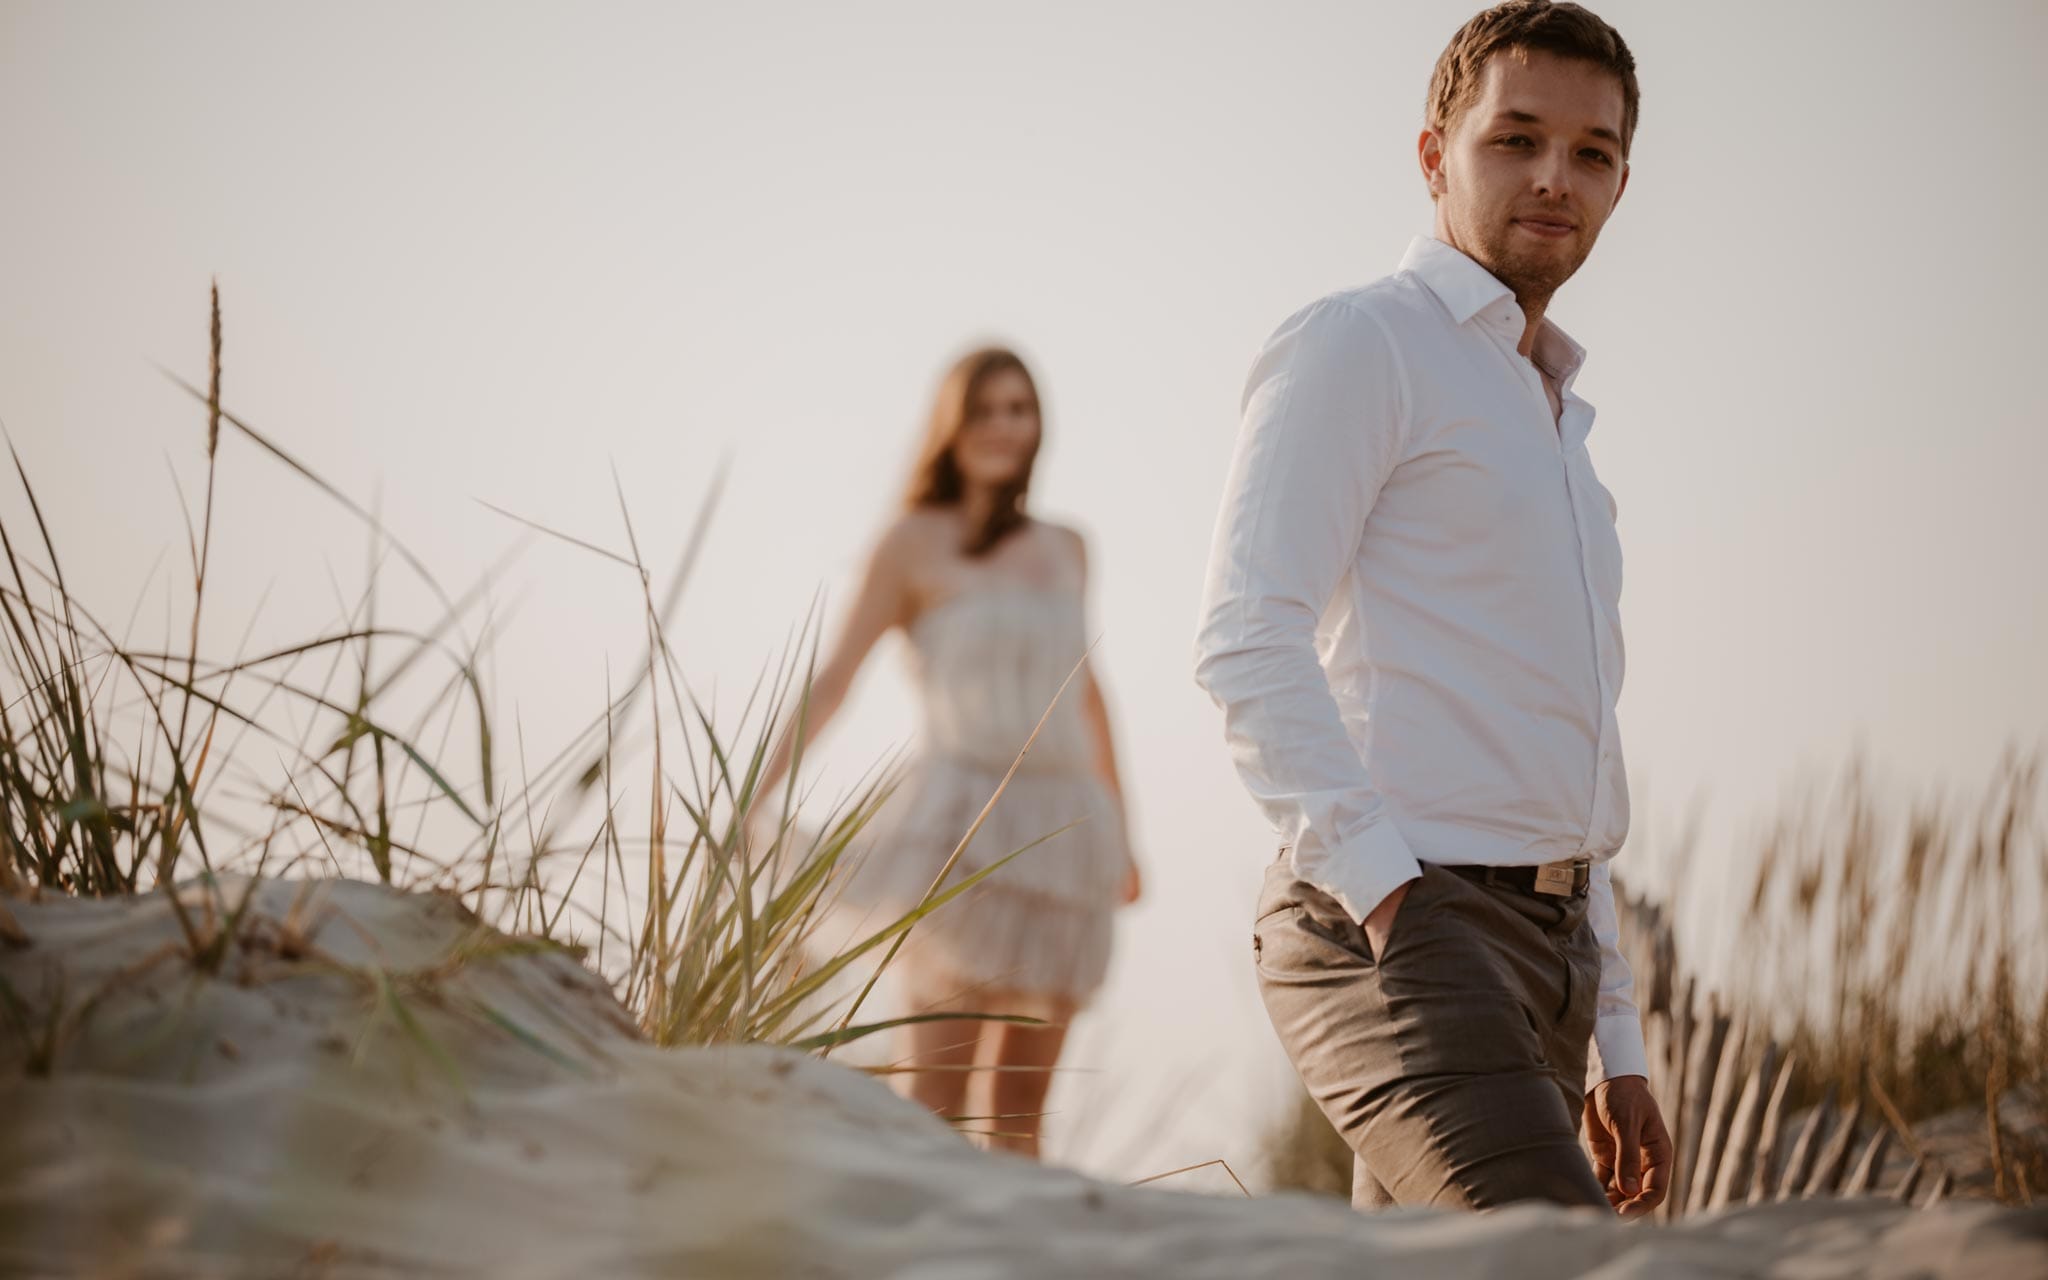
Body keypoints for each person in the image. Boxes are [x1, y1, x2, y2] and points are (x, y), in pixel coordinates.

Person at [1193, 0, 1671, 1215]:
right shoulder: (1364, 343)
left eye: (1591, 152)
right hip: (1394, 914)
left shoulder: (1560, 427)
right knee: (1557, 1253)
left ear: (1619, 181)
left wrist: (1615, 1035)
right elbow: (1246, 633)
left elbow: (1571, 745)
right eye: (1513, 139)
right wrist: (1389, 898)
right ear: (1432, 156)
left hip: (1546, 948)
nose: (1554, 177)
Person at [757, 345, 1140, 1159]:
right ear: (950, 424)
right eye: (985, 410)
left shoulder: (1069, 546)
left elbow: (1091, 691)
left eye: (1020, 410)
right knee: (933, 1099)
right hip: (960, 824)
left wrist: (1127, 835)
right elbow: (834, 681)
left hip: (1067, 830)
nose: (1004, 428)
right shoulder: (910, 543)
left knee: (1018, 1114)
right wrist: (755, 795)